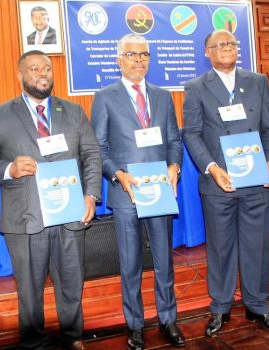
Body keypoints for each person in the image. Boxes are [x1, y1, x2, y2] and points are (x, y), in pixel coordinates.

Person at [0, 50, 101, 350]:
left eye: (47, 68)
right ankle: (34, 344)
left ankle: (72, 337)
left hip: (70, 214)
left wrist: (91, 195)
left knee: (71, 282)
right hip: (25, 216)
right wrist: (9, 168)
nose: (43, 73)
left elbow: (93, 155)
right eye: (34, 68)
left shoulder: (73, 111)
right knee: (29, 290)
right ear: (20, 75)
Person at [182, 29, 269, 337]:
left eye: (231, 43)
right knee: (221, 248)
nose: (226, 48)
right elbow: (191, 133)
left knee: (257, 246)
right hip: (219, 184)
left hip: (256, 183)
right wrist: (212, 168)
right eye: (219, 45)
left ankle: (259, 306)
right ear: (207, 52)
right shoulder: (196, 87)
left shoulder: (257, 82)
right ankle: (220, 308)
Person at [91, 33, 185, 350]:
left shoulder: (162, 95)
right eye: (132, 55)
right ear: (120, 60)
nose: (139, 60)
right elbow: (99, 148)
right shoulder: (105, 96)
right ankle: (135, 325)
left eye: (144, 54)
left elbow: (174, 139)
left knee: (164, 261)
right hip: (126, 193)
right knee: (130, 264)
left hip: (159, 191)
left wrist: (175, 166)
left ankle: (168, 319)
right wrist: (118, 174)